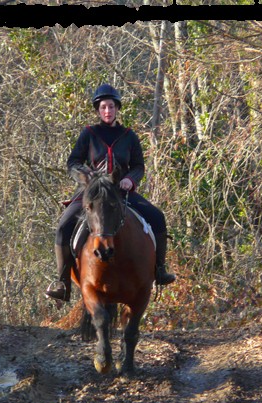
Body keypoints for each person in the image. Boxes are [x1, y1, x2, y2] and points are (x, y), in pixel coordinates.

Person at [45, 83, 175, 302]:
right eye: (104, 107)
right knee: (63, 226)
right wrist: (85, 177)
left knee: (157, 218)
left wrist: (129, 180)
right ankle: (62, 282)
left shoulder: (129, 136)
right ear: (98, 110)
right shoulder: (89, 134)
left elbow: (138, 166)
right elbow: (73, 162)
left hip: (121, 192)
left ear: (117, 109)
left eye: (111, 107)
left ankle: (160, 270)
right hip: (93, 193)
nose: (108, 111)